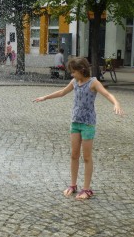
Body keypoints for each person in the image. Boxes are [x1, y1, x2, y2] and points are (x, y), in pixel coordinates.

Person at [33, 57, 124, 200]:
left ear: (82, 70)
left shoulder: (93, 82)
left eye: (73, 72)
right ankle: (73, 185)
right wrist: (45, 97)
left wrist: (116, 103)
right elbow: (62, 92)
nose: (72, 75)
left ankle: (86, 189)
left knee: (87, 157)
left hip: (88, 124)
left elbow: (106, 94)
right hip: (75, 122)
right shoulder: (75, 82)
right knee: (74, 155)